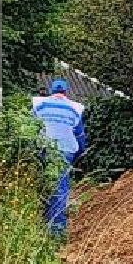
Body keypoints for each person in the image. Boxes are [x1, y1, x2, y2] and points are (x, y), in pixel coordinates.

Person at [30, 79, 87, 238]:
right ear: (66, 92)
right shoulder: (74, 108)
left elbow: (31, 126)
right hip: (65, 150)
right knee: (60, 188)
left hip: (44, 148)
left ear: (51, 91)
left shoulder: (40, 105)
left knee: (43, 184)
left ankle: (41, 224)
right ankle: (56, 230)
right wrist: (80, 152)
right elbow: (80, 135)